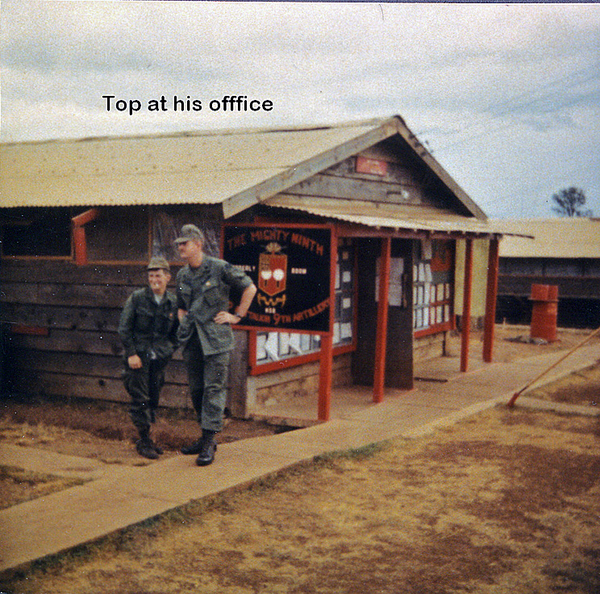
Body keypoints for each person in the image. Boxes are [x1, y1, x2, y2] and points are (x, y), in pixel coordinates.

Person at [175, 224, 257, 466]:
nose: (180, 247)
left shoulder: (219, 268)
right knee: (197, 389)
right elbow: (181, 306)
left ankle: (209, 441)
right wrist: (184, 323)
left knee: (214, 389)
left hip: (216, 341)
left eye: (185, 243)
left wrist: (237, 316)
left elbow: (250, 288)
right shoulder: (182, 275)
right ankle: (204, 437)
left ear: (198, 244)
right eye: (179, 244)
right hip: (192, 340)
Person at [118, 256, 179, 459]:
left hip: (159, 359)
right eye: (151, 275)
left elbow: (176, 333)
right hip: (138, 358)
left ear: (168, 277)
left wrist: (169, 349)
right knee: (141, 399)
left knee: (153, 397)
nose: (154, 279)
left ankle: (149, 439)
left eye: (158, 275)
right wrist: (132, 353)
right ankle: (143, 441)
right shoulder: (137, 298)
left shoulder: (172, 302)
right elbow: (124, 329)